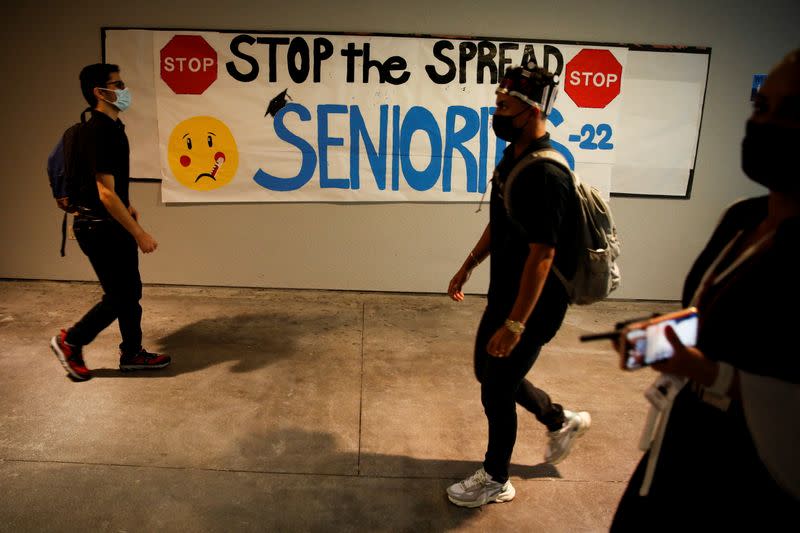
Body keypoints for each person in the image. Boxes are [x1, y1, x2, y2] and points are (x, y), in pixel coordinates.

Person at [610, 49, 800, 530]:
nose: (766, 124)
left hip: (760, 466)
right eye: (761, 107)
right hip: (687, 434)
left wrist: (712, 375)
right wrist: (670, 331)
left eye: (792, 111)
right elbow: (714, 314)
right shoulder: (744, 217)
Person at [445, 64, 591, 508]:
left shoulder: (547, 176)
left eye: (504, 106)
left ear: (530, 112)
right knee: (486, 372)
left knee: (496, 387)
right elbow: (501, 222)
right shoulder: (513, 159)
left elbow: (543, 255)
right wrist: (468, 265)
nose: (497, 113)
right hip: (506, 292)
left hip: (537, 304)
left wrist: (515, 323)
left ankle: (495, 477)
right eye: (497, 103)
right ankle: (558, 418)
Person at [49, 63, 171, 381]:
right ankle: (70, 341)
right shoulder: (100, 131)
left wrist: (126, 205)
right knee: (120, 296)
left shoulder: (112, 128)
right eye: (117, 85)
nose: (123, 90)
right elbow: (105, 193)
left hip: (108, 224)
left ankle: (132, 352)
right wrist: (140, 233)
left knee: (129, 292)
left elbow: (109, 185)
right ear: (98, 92)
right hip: (99, 228)